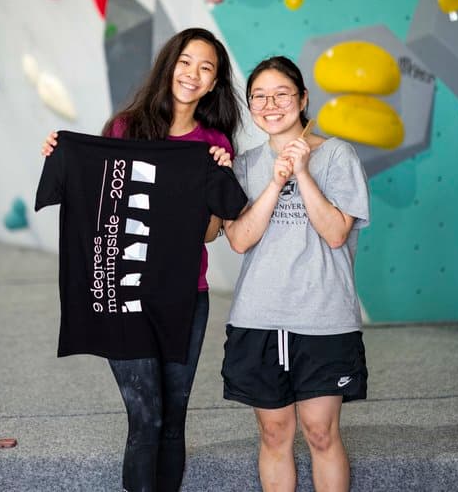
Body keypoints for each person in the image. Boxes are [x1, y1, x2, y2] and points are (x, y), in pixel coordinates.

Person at [41, 27, 244, 492]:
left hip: (185, 298)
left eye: (206, 67)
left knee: (173, 420)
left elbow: (210, 234)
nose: (192, 74)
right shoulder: (125, 129)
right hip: (125, 295)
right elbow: (94, 201)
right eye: (186, 61)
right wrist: (62, 156)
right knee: (146, 418)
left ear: (214, 83)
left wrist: (218, 177)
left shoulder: (213, 144)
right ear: (169, 65)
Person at [221, 56, 370, 492]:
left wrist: (301, 173)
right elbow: (240, 239)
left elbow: (337, 232)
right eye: (259, 97)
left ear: (303, 98)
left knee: (321, 433)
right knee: (273, 435)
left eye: (281, 94)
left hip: (323, 317)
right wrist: (272, 183)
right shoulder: (243, 165)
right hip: (258, 318)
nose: (271, 104)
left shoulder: (337, 154)